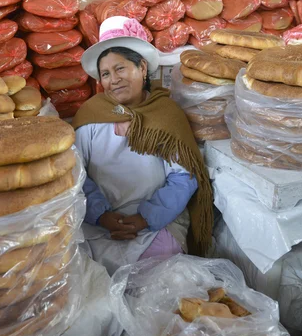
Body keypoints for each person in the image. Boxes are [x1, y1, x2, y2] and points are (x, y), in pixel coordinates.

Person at [72, 16, 213, 275]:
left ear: (143, 68)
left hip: (157, 222)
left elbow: (184, 177)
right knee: (83, 268)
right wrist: (102, 216)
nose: (113, 79)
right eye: (105, 74)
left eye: (121, 68)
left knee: (158, 269)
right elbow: (77, 175)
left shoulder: (166, 113)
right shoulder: (89, 114)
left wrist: (145, 218)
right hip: (99, 222)